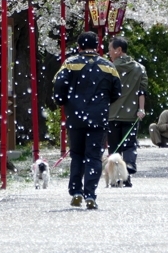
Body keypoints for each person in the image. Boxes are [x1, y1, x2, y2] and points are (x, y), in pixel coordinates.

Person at [53, 31, 121, 209]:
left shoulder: (69, 64)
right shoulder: (108, 66)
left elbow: (59, 85)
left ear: (79, 46)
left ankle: (76, 191)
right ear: (97, 45)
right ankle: (90, 194)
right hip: (98, 117)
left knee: (77, 154)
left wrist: (64, 101)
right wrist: (103, 103)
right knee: (93, 156)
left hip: (75, 117)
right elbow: (117, 91)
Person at [106, 35, 147, 187]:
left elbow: (105, 91)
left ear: (118, 50)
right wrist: (141, 109)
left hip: (112, 114)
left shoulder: (110, 68)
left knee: (114, 148)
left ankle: (117, 178)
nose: (109, 53)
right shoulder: (140, 68)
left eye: (110, 49)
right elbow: (142, 91)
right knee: (130, 145)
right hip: (131, 115)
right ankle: (129, 167)